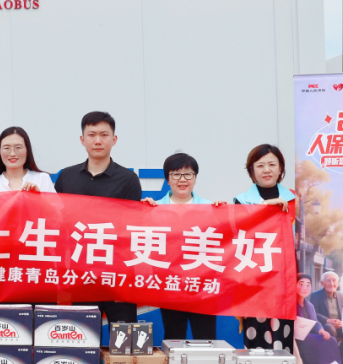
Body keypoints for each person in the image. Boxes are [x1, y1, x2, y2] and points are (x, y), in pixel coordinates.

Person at [54, 111, 143, 324]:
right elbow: (56, 220)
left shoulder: (128, 179)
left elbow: (133, 227)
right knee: (83, 335)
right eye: (92, 135)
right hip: (80, 273)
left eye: (104, 135)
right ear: (82, 139)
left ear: (114, 139)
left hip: (118, 275)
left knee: (123, 337)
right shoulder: (67, 177)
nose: (98, 141)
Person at [144, 152, 222, 340]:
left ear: (195, 178)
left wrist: (223, 214)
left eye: (188, 174)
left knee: (206, 338)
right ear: (167, 179)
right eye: (176, 174)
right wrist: (141, 211)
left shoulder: (211, 208)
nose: (182, 179)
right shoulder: (153, 209)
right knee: (174, 337)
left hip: (203, 287)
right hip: (170, 285)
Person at [235, 144, 296, 351]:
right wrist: (265, 208)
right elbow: (238, 239)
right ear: (252, 171)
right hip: (255, 281)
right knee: (256, 339)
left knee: (284, 339)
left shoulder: (295, 200)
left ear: (281, 168)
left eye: (272, 164)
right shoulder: (241, 201)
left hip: (285, 281)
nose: (266, 170)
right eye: (260, 165)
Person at [0, 127, 56, 193]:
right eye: (6, 148)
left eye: (18, 147)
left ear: (27, 150)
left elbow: (55, 205)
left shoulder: (43, 179)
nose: (12, 153)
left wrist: (38, 197)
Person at [294, 274, 341, 364]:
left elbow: (316, 322)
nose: (305, 288)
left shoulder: (309, 305)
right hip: (298, 337)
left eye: (308, 285)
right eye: (301, 284)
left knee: (330, 339)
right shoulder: (290, 304)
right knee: (319, 342)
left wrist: (321, 331)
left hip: (310, 334)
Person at [310, 271, 343, 359]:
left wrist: (342, 322)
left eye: (334, 281)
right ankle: (333, 355)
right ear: (322, 283)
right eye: (328, 280)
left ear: (338, 283)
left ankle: (342, 354)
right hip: (325, 326)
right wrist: (328, 321)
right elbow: (314, 313)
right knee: (329, 327)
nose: (331, 283)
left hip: (340, 325)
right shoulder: (315, 296)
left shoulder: (341, 295)